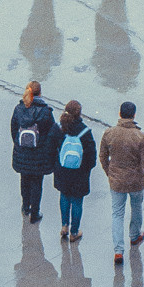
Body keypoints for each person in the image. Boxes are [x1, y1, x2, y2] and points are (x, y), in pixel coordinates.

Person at [99, 100, 144, 263]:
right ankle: (135, 235)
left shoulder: (109, 133)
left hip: (116, 180)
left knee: (117, 213)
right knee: (136, 208)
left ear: (119, 114)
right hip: (136, 180)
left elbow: (102, 156)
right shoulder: (140, 136)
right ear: (134, 115)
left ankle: (118, 251)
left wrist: (109, 172)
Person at [11, 81, 56, 224]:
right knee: (37, 182)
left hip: (22, 152)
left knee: (24, 180)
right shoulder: (46, 112)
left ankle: (25, 207)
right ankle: (35, 213)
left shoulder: (19, 109)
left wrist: (19, 144)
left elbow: (13, 130)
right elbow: (52, 133)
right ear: (40, 93)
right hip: (39, 154)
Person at [52, 100, 95, 242]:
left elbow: (51, 148)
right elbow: (91, 156)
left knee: (64, 196)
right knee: (77, 202)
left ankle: (64, 226)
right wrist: (86, 169)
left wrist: (56, 165)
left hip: (62, 170)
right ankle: (74, 232)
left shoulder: (59, 128)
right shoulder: (85, 132)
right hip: (79, 173)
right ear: (79, 113)